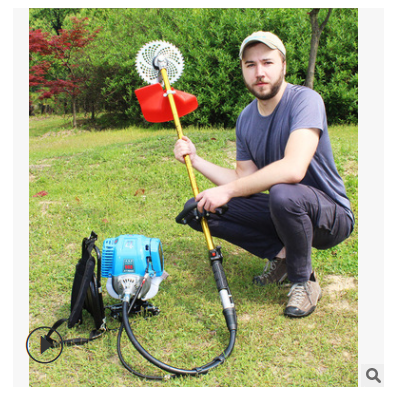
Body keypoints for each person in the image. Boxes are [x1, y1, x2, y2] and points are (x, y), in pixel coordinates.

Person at [173, 31, 354, 318]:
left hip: (330, 217)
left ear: (283, 66)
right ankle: (283, 258)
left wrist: (227, 192)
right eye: (251, 65)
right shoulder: (246, 118)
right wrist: (196, 161)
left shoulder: (305, 101)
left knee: (283, 193)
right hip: (284, 212)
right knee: (198, 209)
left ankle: (304, 281)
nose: (259, 72)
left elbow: (294, 169)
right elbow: (243, 179)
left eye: (268, 63)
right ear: (243, 70)